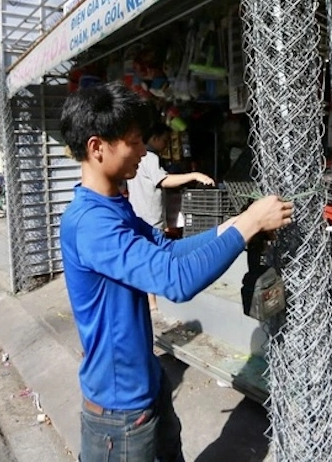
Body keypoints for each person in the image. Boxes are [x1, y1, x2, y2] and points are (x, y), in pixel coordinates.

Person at [59, 83, 293, 462]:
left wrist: (231, 225)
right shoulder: (90, 223)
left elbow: (167, 249)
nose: (143, 152)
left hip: (147, 384)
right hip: (120, 412)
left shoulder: (114, 207)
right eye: (134, 142)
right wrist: (246, 226)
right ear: (97, 147)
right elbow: (175, 279)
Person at [127, 121, 215, 311]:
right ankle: (153, 304)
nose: (166, 145)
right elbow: (164, 180)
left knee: (146, 258)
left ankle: (150, 301)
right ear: (155, 138)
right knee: (151, 260)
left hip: (139, 214)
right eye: (165, 140)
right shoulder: (149, 157)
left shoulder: (139, 157)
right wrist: (194, 175)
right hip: (149, 218)